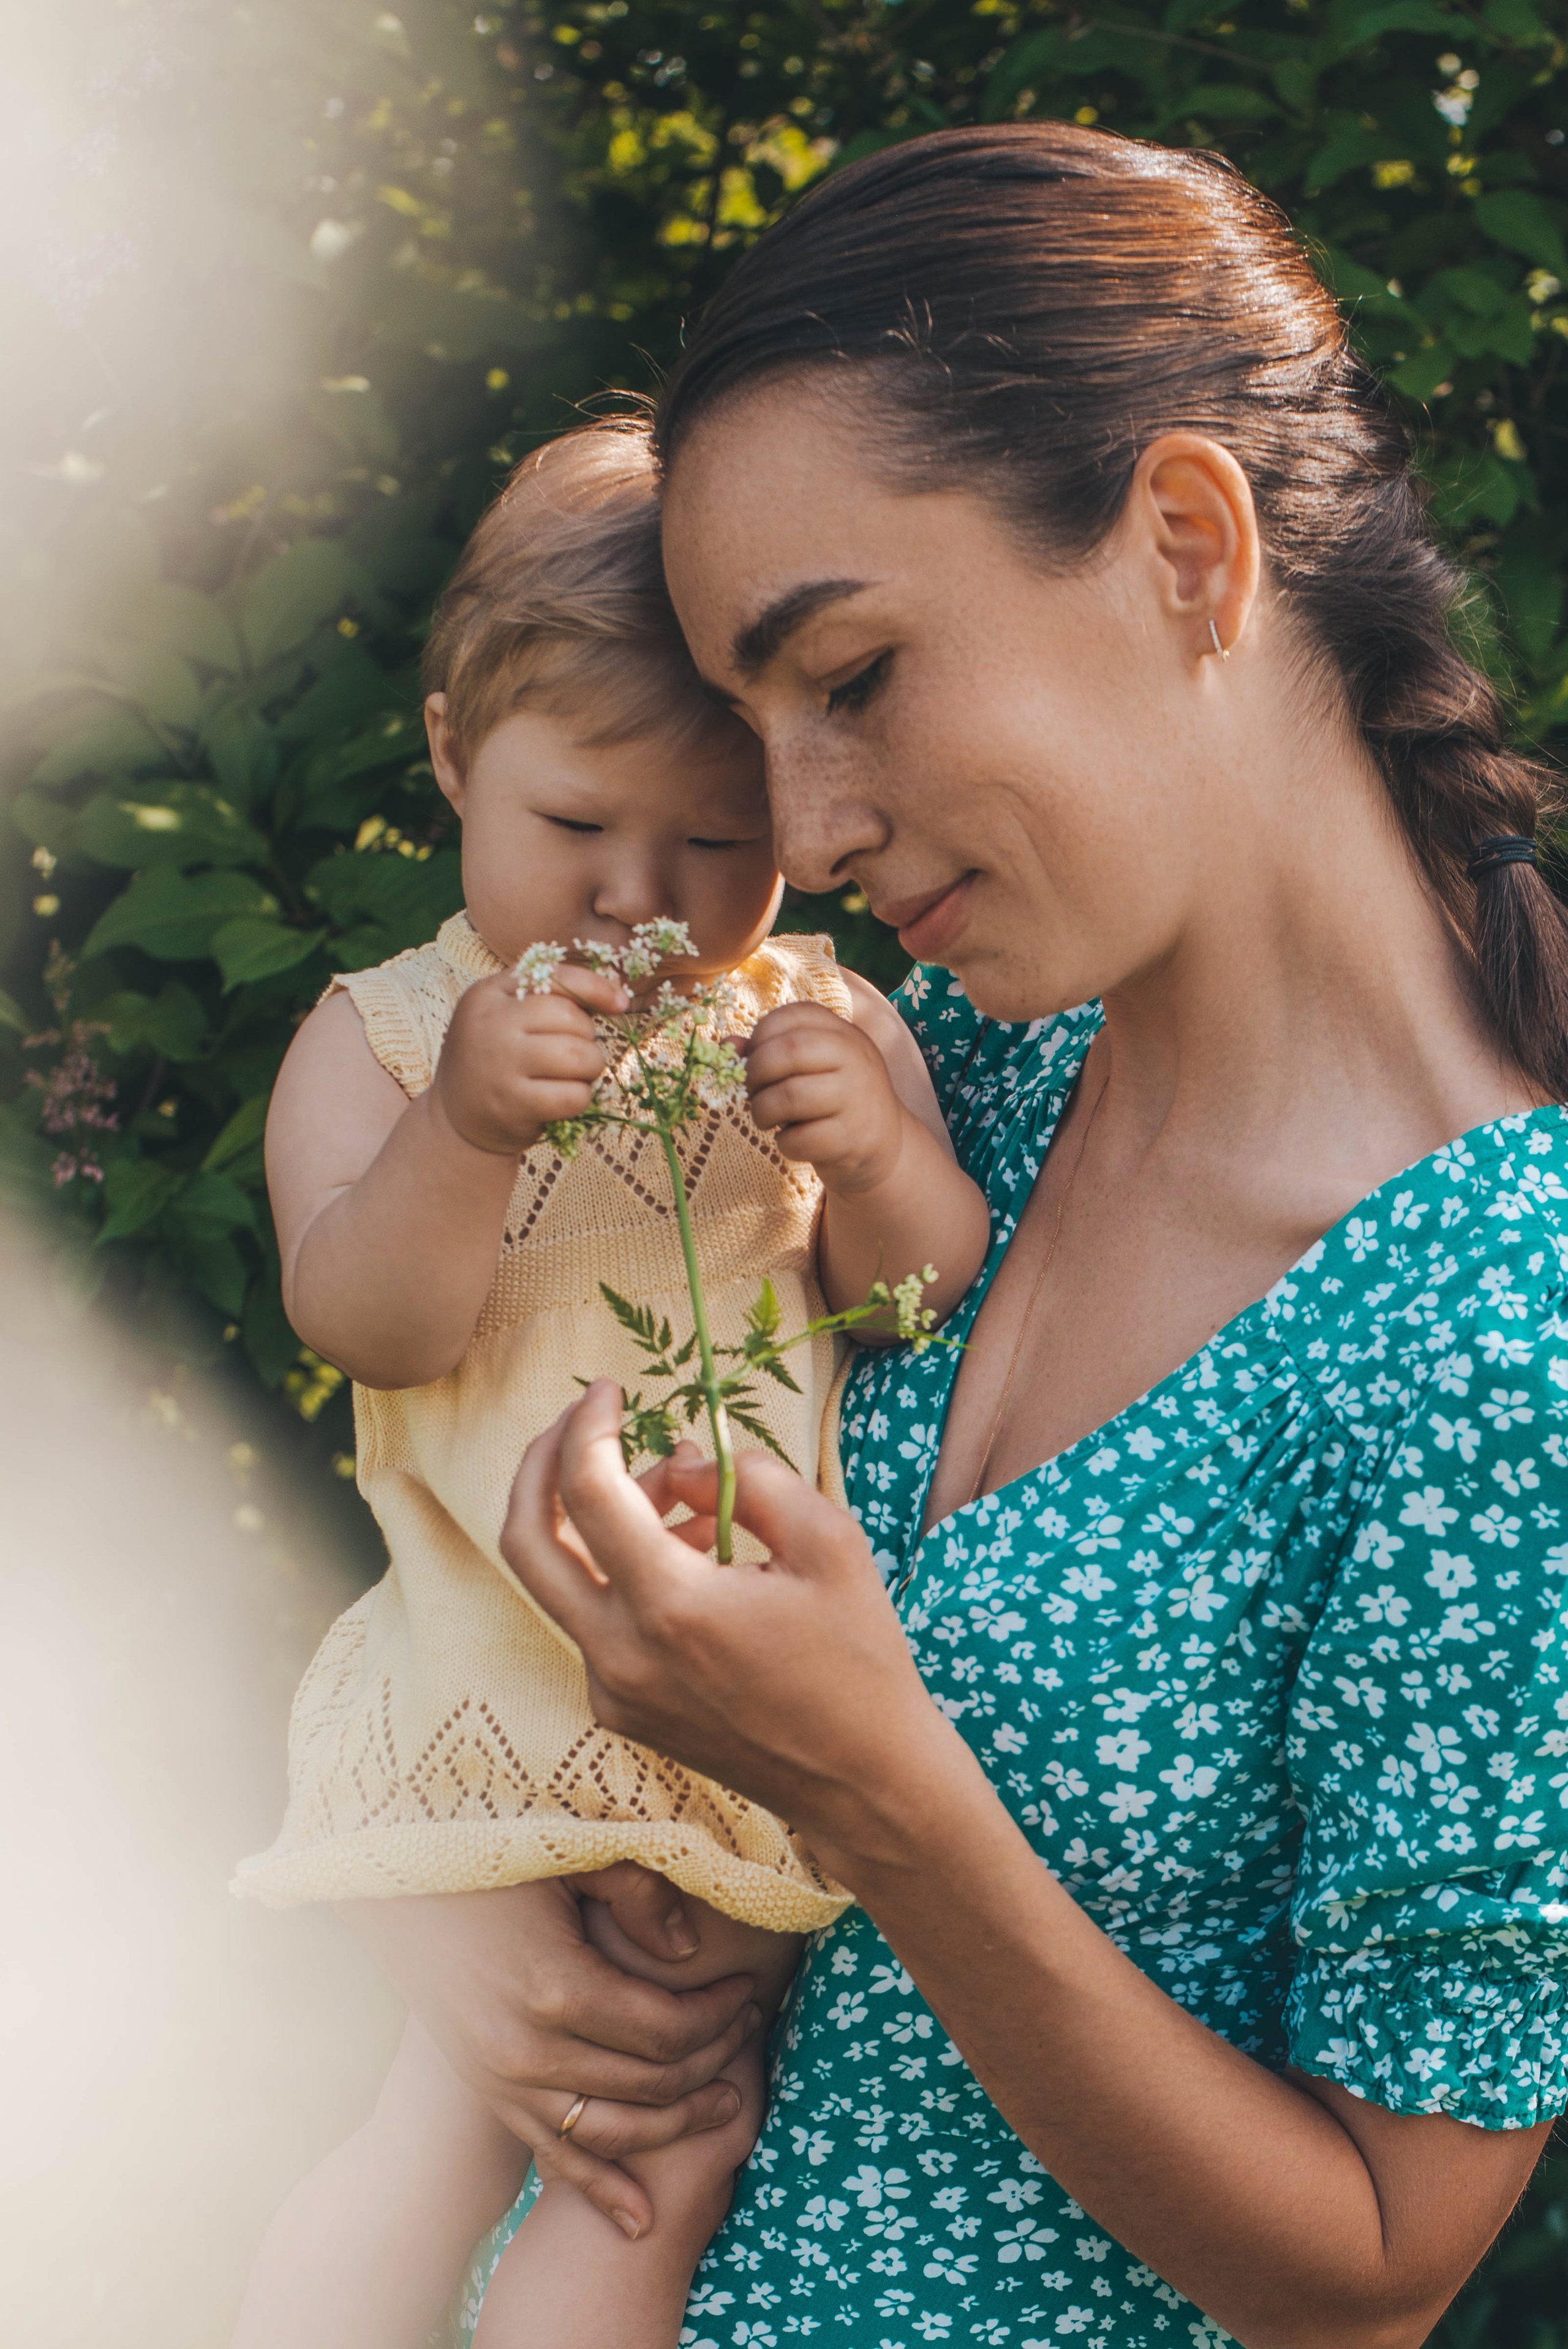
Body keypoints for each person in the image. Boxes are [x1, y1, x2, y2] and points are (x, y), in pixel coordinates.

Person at [344, 124, 1568, 2349]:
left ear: (1190, 546)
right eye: (756, 728)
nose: (798, 835)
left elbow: (1382, 2272)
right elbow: (456, 1485)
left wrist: (881, 1787)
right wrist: (459, 1932)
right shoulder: (938, 1076)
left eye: (859, 676)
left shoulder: (1505, 1321)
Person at [227, 419, 990, 2349]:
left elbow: (919, 1301)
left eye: (714, 844)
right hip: (489, 1695)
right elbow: (369, 1321)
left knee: (661, 2143)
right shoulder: (390, 1042)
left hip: (745, 1706)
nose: (636, 893)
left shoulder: (814, 1019)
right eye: (575, 830)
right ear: (451, 756)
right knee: (433, 2128)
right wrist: (471, 1127)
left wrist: (881, 1154)